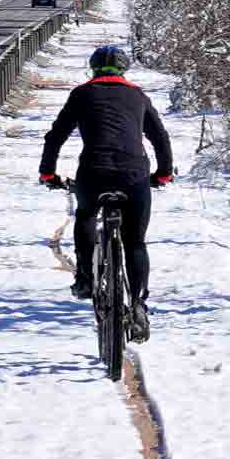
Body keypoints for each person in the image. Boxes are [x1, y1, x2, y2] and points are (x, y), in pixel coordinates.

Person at [39, 44, 173, 342]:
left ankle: (85, 277)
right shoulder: (137, 95)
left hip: (94, 171)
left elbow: (56, 136)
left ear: (93, 68)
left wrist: (48, 172)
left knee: (86, 214)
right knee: (135, 242)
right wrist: (163, 173)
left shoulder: (82, 93)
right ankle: (137, 305)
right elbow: (159, 136)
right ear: (124, 70)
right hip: (134, 174)